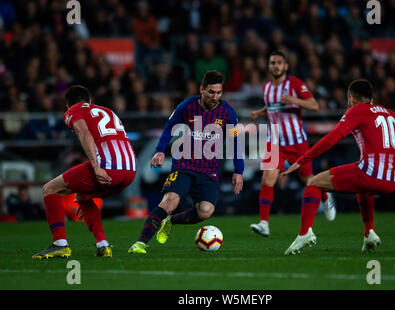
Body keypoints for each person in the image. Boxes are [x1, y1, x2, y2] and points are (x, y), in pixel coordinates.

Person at [281, 79, 395, 255]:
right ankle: (369, 233)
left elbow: (332, 138)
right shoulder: (387, 112)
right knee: (363, 188)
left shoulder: (357, 110)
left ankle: (305, 232)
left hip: (372, 173)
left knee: (313, 183)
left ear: (351, 98)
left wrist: (302, 159)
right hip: (393, 179)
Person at [128, 71, 244, 254]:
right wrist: (159, 151)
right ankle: (140, 243)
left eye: (219, 93)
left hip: (209, 170)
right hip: (184, 166)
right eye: (211, 92)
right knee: (169, 202)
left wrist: (239, 171)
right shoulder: (186, 106)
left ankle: (170, 222)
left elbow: (235, 143)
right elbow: (168, 129)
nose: (215, 97)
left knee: (205, 211)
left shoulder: (228, 113)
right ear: (202, 89)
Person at [32, 85, 136, 259]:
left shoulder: (73, 111)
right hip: (130, 170)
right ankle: (103, 245)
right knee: (82, 196)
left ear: (67, 105)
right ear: (90, 101)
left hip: (107, 167)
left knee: (50, 189)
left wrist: (95, 166)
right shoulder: (108, 111)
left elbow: (83, 132)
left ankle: (60, 244)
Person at [248, 50, 336, 238]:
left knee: (309, 181)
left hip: (297, 143)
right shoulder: (266, 87)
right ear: (269, 66)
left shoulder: (295, 84)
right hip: (275, 143)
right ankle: (264, 223)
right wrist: (260, 112)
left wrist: (293, 99)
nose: (276, 65)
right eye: (272, 62)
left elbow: (314, 105)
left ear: (286, 66)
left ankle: (326, 197)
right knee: (267, 177)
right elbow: (273, 108)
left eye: (279, 62)